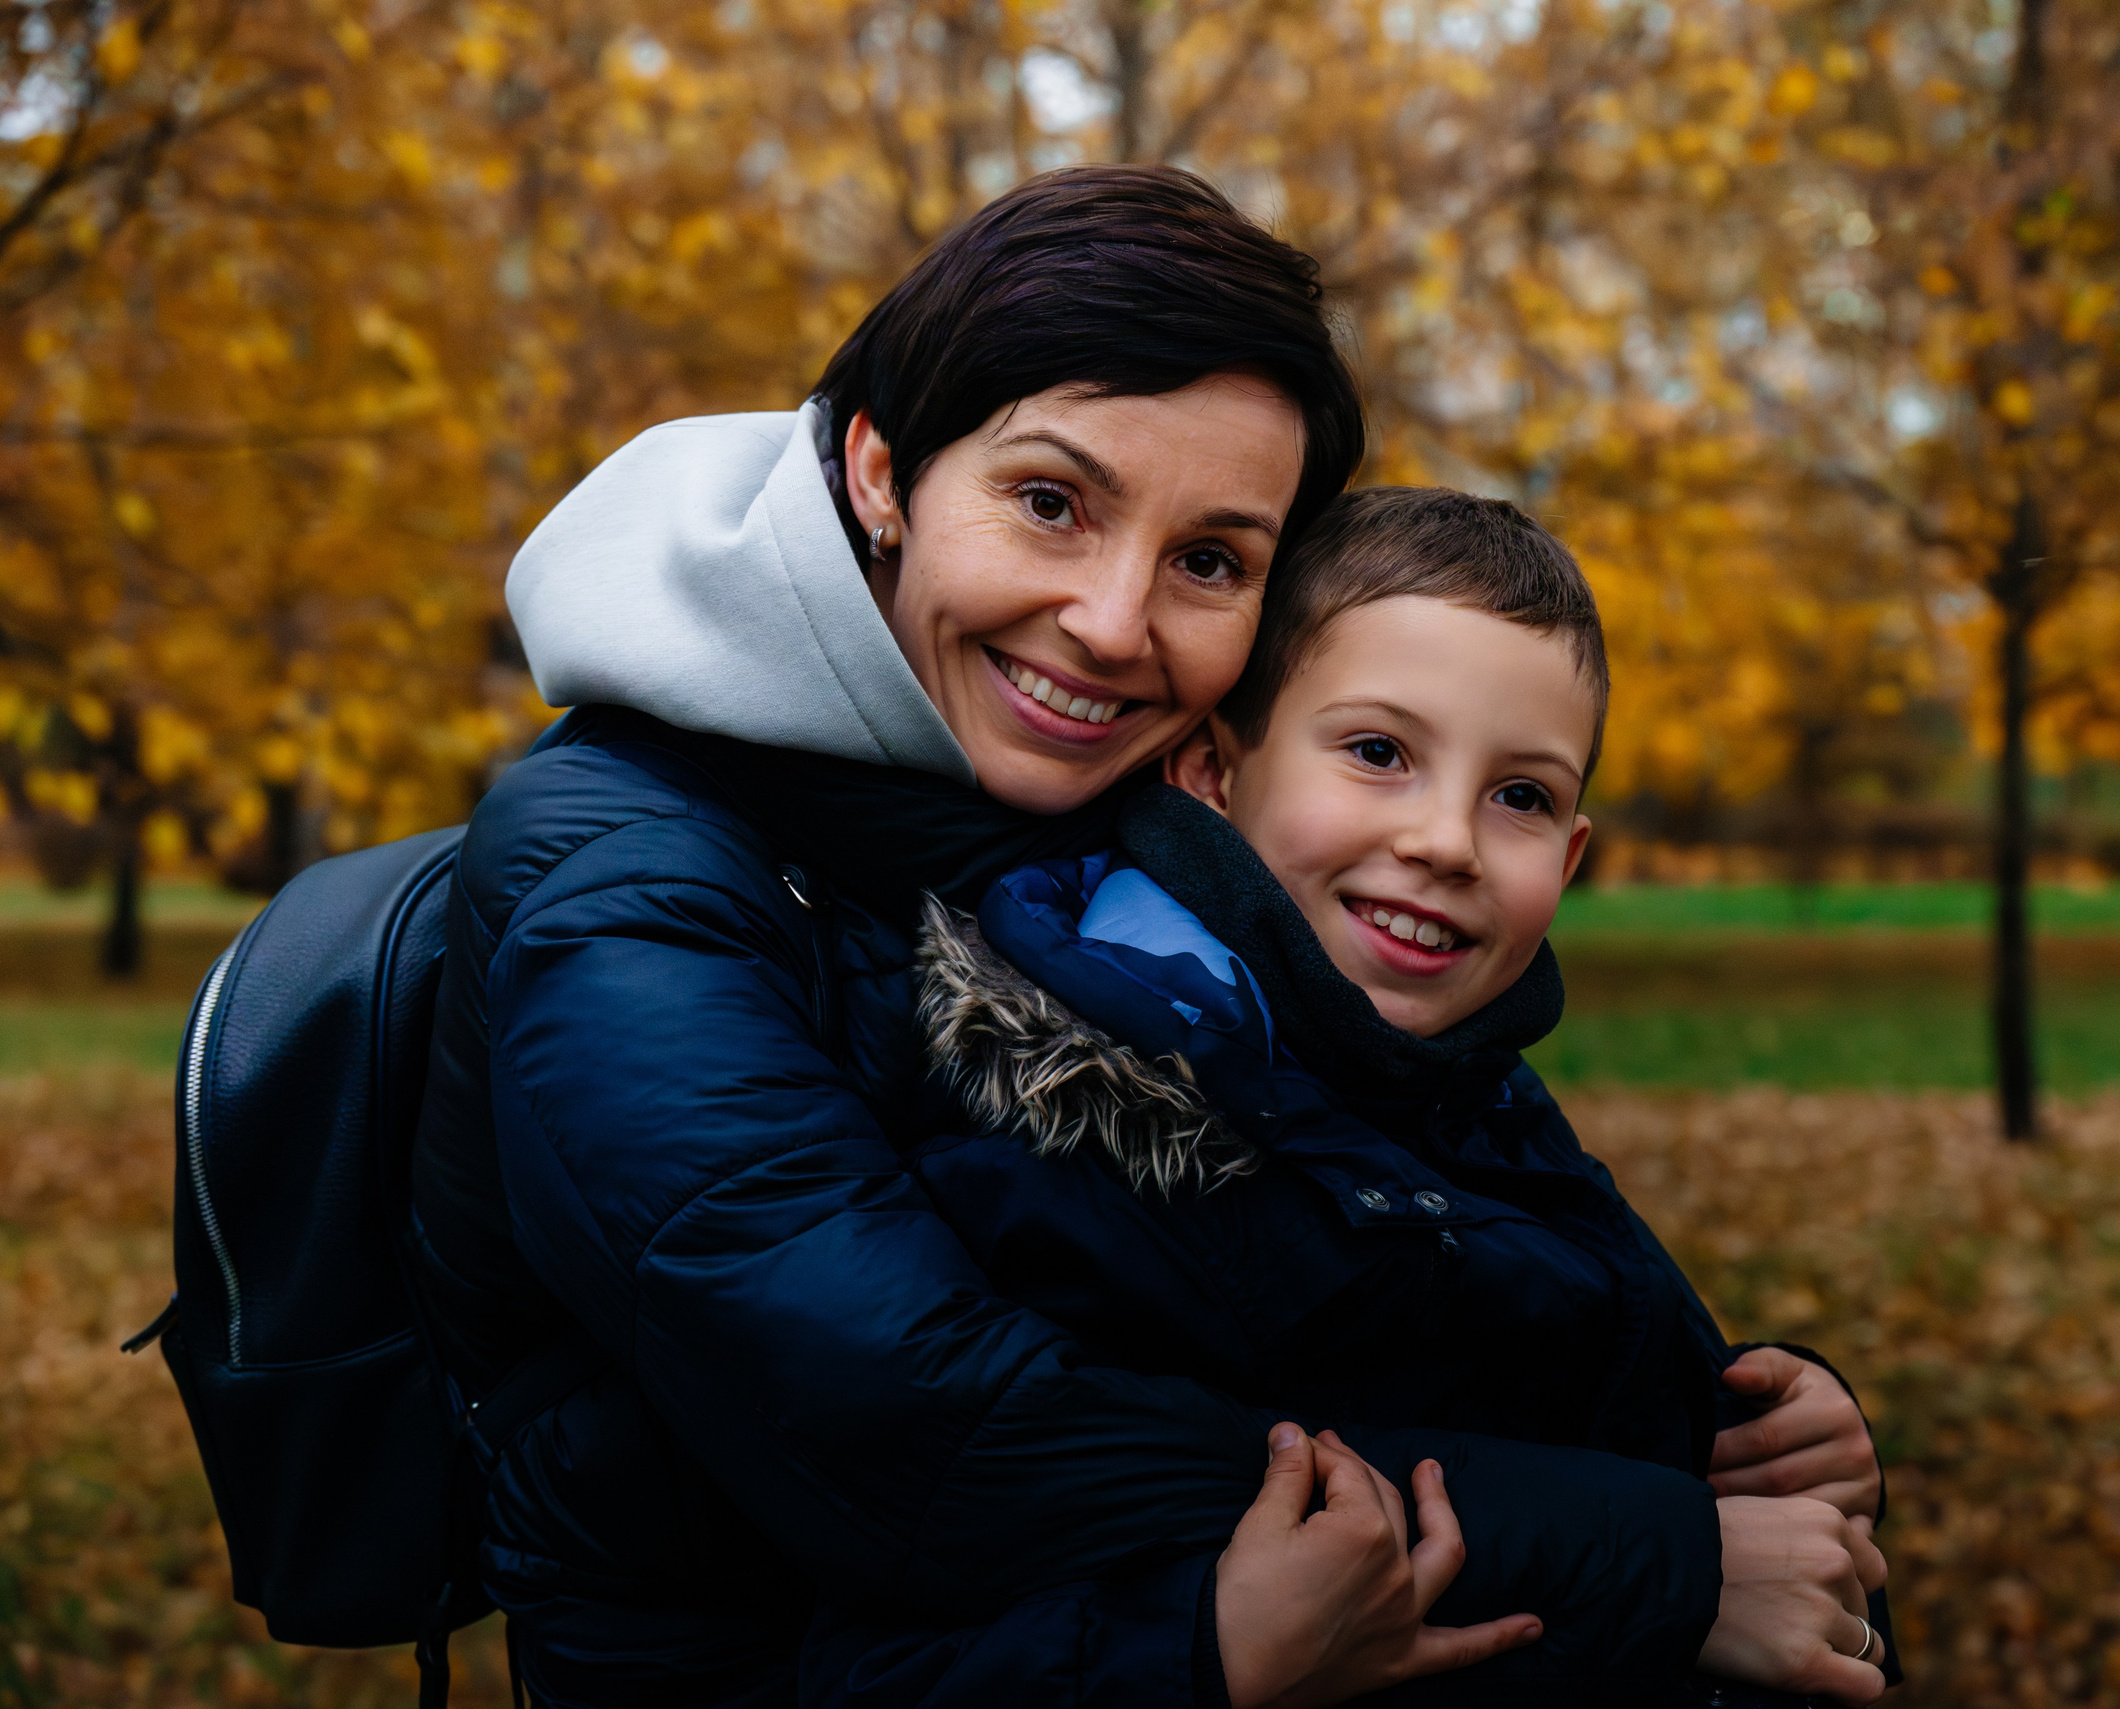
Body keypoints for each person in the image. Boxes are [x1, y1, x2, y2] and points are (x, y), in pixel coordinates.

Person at [407, 166, 1874, 1709]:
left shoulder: (1105, 819)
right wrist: (1662, 1551)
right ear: (882, 471)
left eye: (1211, 561)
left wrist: (1735, 1429)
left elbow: (1400, 1252)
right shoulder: (622, 873)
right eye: (1052, 502)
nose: (1115, 623)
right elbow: (930, 1425)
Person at [806, 488, 1895, 1706]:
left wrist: (1777, 1431)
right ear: (1211, 769)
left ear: (1573, 858)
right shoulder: (1070, 1140)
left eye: (1519, 796)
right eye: (1378, 752)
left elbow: (1630, 1424)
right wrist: (1668, 1573)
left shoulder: (1470, 1096)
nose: (1447, 840)